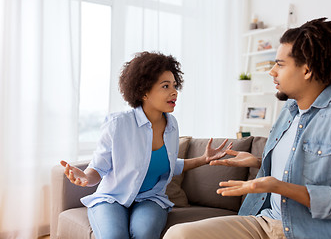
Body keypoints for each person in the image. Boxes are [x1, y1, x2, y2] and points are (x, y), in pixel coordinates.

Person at [163, 18, 331, 239]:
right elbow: (301, 166)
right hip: (264, 221)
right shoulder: (289, 111)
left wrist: (279, 187)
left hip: (308, 231)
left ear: (307, 70)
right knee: (180, 234)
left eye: (280, 64)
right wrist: (257, 162)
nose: (272, 72)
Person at [60, 51, 231, 239]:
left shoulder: (172, 125)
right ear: (144, 91)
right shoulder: (118, 124)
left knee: (145, 234)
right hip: (112, 198)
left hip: (150, 199)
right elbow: (98, 169)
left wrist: (204, 159)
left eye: (174, 85)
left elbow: (170, 164)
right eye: (165, 86)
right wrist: (84, 177)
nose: (174, 91)